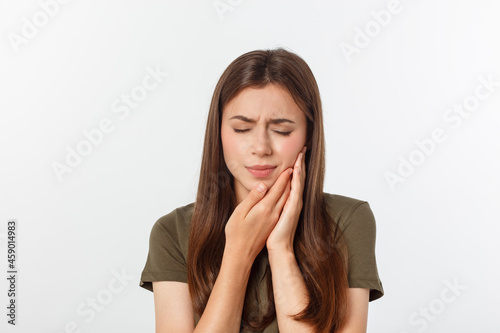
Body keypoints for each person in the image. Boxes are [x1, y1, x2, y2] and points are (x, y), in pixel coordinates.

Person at [139, 47, 384, 332]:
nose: (260, 148)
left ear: (309, 135)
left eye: (282, 130)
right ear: (218, 133)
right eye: (242, 129)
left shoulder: (349, 220)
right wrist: (239, 251)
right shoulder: (173, 232)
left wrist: (281, 250)